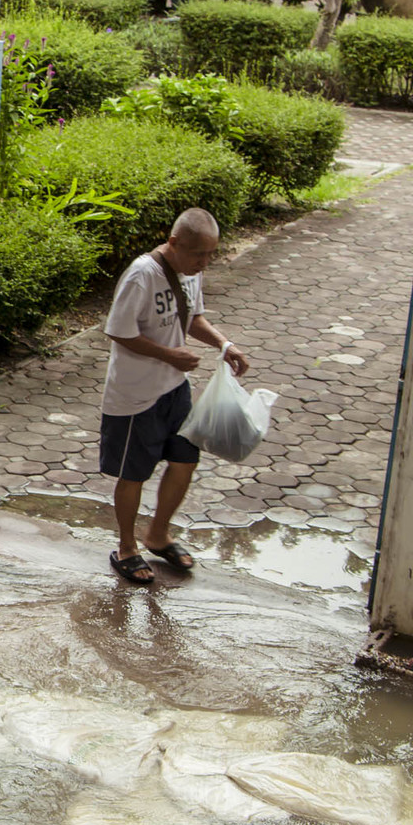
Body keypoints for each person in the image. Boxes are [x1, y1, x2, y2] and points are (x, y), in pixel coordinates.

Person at [99, 208, 249, 584]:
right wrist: (170, 354)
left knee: (184, 461)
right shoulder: (141, 275)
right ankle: (127, 547)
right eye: (198, 254)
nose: (204, 262)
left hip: (174, 389)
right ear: (174, 242)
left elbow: (191, 318)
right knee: (133, 474)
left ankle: (158, 534)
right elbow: (118, 330)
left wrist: (223, 343)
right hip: (136, 395)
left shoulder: (189, 273)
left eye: (210, 254)